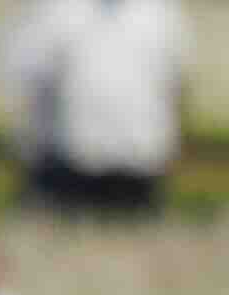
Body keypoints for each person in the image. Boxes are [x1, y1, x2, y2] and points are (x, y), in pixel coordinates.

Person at [16, 0, 188, 211]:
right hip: (71, 165)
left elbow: (176, 84)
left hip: (141, 167)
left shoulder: (161, 13)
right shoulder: (55, 10)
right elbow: (35, 86)